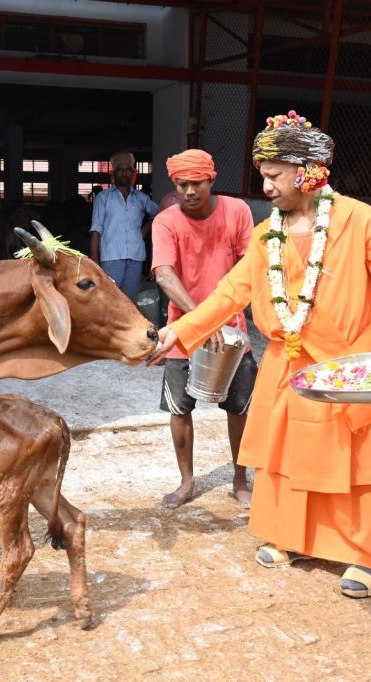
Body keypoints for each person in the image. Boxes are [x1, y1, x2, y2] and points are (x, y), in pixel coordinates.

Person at [148, 110, 371, 598]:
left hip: (343, 367)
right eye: (263, 175)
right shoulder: (269, 233)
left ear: (309, 171)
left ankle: (366, 554)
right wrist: (177, 334)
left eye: (274, 175)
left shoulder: (356, 219)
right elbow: (228, 294)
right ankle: (292, 536)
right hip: (286, 364)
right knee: (285, 456)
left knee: (352, 462)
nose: (266, 186)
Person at [151, 149, 258, 509]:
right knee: (179, 410)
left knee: (239, 408)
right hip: (182, 332)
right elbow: (164, 273)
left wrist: (221, 316)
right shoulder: (165, 222)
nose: (189, 190)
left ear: (211, 180)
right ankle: (186, 481)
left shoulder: (238, 211)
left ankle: (240, 479)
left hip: (232, 332)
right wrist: (201, 319)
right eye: (182, 184)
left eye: (197, 182)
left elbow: (250, 267)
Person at [90, 151, 159, 300]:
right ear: (113, 173)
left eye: (128, 170)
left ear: (133, 173)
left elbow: (160, 214)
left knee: (129, 301)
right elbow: (96, 228)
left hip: (135, 256)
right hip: (111, 258)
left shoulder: (141, 198)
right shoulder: (104, 198)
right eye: (120, 170)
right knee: (109, 300)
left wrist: (145, 230)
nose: (124, 173)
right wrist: (94, 258)